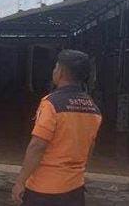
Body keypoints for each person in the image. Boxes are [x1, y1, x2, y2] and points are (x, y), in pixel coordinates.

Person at [11, 49, 102, 206]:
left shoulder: (51, 104)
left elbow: (37, 145)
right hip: (75, 190)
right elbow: (90, 146)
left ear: (60, 72)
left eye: (55, 67)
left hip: (44, 190)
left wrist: (20, 181)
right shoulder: (93, 108)